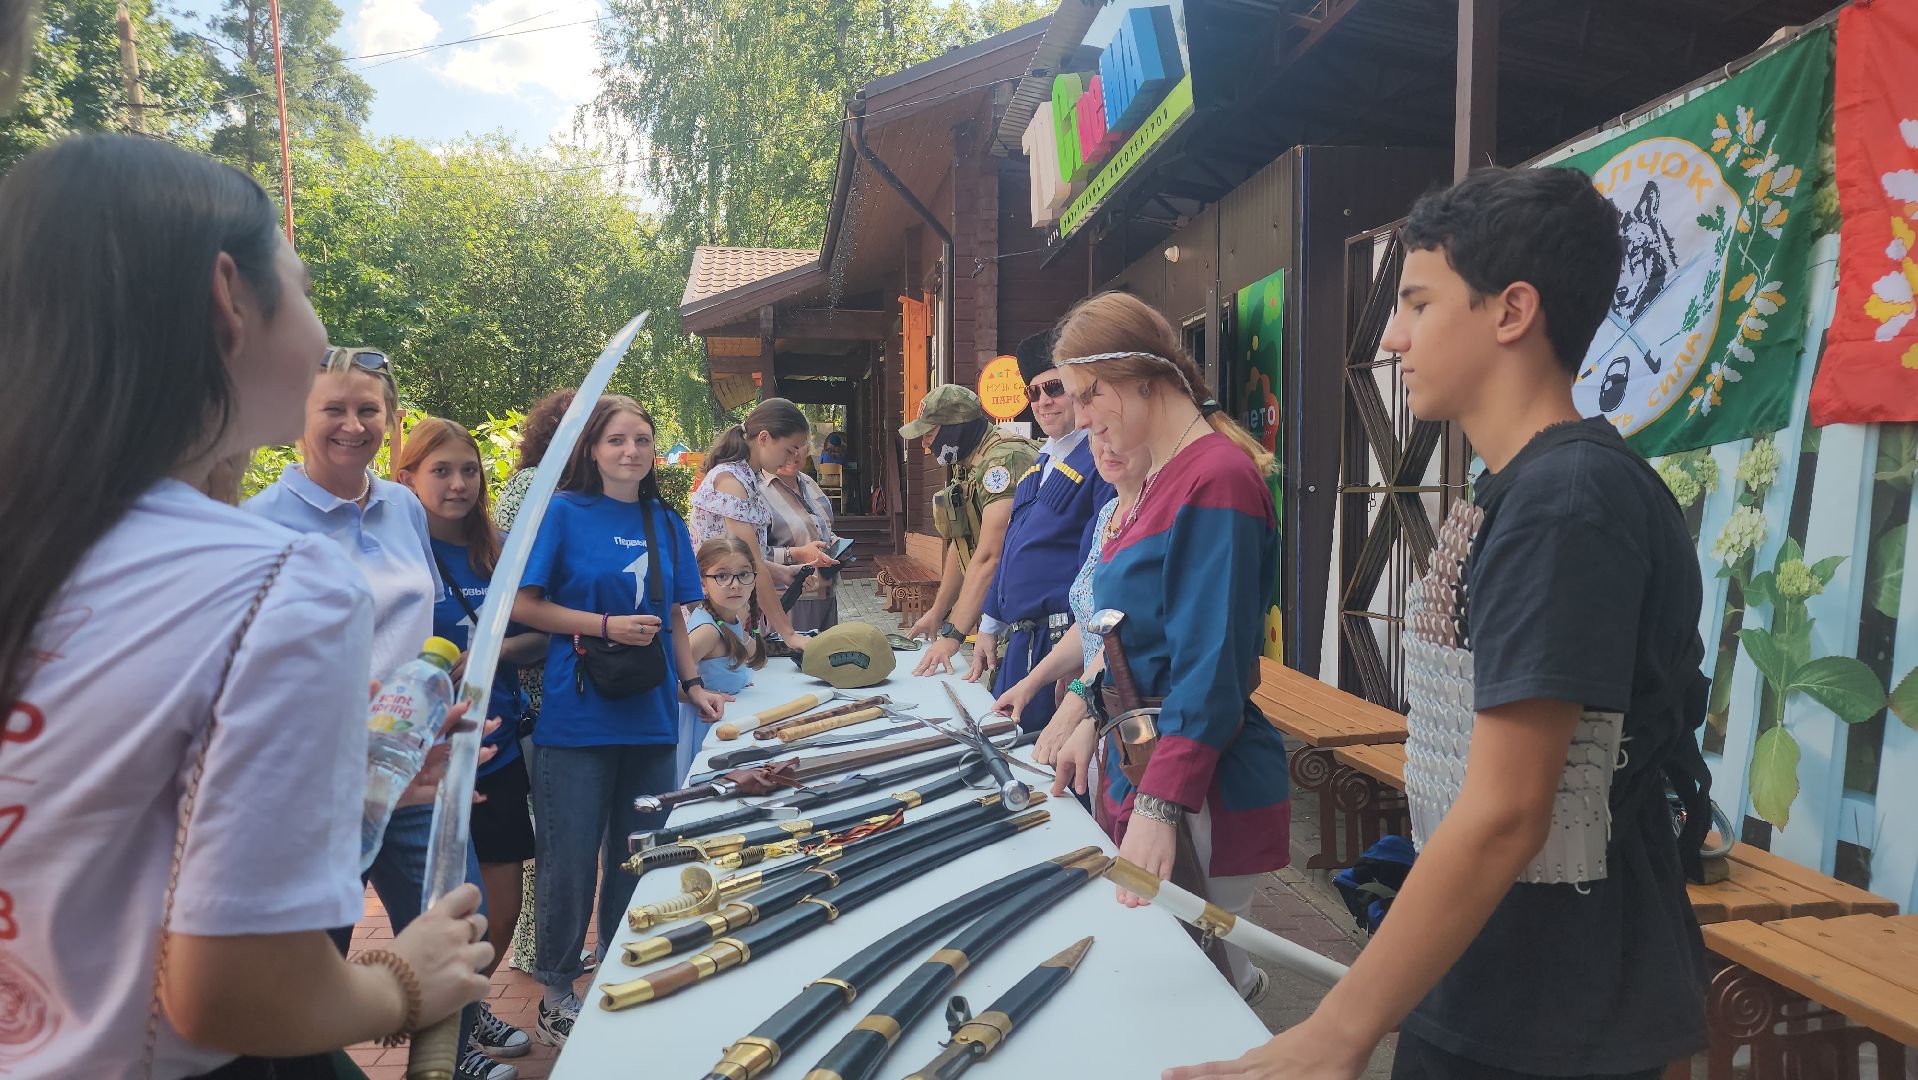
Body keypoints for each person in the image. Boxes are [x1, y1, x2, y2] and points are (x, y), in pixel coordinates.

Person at [1167, 169, 1712, 1080]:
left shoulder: (1565, 505)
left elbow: (1505, 811)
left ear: (1511, 312)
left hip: (1554, 1011)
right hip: (1502, 978)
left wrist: (1339, 1030)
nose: (1393, 335)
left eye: (1417, 303)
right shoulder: (1524, 489)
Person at [0, 134, 489, 1078]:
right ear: (230, 298)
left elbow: (97, 810)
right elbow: (233, 988)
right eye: (300, 288)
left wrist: (340, 765)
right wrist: (405, 977)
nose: (315, 335)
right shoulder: (278, 580)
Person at [247, 349, 513, 1078]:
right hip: (320, 778)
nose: (352, 424)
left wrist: (442, 691)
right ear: (299, 418)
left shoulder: (401, 505)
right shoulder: (260, 523)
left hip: (415, 763)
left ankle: (446, 1064)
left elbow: (419, 621)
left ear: (392, 423)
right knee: (314, 951)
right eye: (333, 408)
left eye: (369, 410)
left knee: (458, 926)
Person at [1044, 291, 1289, 1007]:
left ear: (1142, 376)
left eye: (1091, 393)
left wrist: (1160, 806)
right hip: (1147, 763)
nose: (1083, 416)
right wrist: (1083, 707)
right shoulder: (1163, 478)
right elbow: (1124, 632)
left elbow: (1208, 667)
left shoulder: (1216, 477)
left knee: (1178, 995)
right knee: (1170, 983)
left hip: (1194, 782)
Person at [511, 395, 725, 1046]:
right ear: (592, 450)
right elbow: (525, 605)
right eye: (616, 440)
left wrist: (692, 686)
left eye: (642, 439)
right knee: (569, 860)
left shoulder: (664, 519)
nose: (631, 451)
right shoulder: (563, 512)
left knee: (640, 855)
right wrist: (603, 625)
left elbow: (679, 617)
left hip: (651, 714)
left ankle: (616, 971)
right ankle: (555, 990)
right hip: (577, 717)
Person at [396, 416, 550, 1069]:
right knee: (438, 907)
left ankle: (473, 1010)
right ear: (407, 479)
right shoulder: (396, 555)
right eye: (441, 471)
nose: (458, 484)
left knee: (501, 901)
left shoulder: (502, 549)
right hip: (423, 761)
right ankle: (448, 1044)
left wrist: (490, 652)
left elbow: (540, 636)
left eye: (468, 470)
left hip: (497, 749)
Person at [967, 330, 1116, 730]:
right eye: (1033, 393)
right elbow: (1011, 551)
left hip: (1061, 645)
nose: (1044, 401)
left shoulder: (1102, 461)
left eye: (1054, 388)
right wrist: (989, 626)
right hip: (1021, 645)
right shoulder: (1038, 465)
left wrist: (1086, 654)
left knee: (1052, 770)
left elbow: (1099, 568)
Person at [1000, 434, 1148, 773]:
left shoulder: (1153, 517)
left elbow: (1131, 632)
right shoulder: (1109, 513)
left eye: (1117, 434)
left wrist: (1082, 707)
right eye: (1097, 435)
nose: (1107, 446)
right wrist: (1030, 683)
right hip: (1099, 708)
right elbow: (1089, 625)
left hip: (1134, 716)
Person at [900, 385, 1038, 675]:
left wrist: (953, 635)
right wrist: (938, 613)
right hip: (1003, 608)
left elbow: (991, 556)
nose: (926, 444)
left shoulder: (1004, 461)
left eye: (930, 433)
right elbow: (963, 544)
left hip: (1031, 616)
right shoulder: (969, 463)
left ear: (956, 430)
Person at [689, 397, 833, 647]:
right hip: (712, 615)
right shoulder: (731, 481)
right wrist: (788, 633)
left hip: (728, 606)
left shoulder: (746, 477)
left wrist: (782, 571)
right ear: (764, 438)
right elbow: (752, 560)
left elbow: (741, 557)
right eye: (790, 449)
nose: (792, 459)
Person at [678, 536, 766, 780]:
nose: (734, 585)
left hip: (727, 727)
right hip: (705, 731)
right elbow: (665, 683)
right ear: (703, 583)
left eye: (743, 574)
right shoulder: (707, 632)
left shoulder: (729, 618)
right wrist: (701, 696)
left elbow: (745, 651)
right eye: (722, 576)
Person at [763, 452, 843, 633]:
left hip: (825, 595)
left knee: (825, 658)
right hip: (787, 602)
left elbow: (821, 528)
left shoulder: (809, 482)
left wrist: (834, 543)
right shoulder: (757, 489)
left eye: (799, 444)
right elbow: (748, 555)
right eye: (788, 447)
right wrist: (798, 553)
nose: (794, 453)